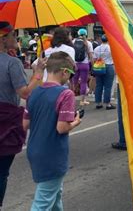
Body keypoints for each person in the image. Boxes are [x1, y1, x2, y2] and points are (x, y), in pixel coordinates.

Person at [23, 52, 81, 210]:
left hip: (34, 149)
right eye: (71, 74)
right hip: (53, 152)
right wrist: (75, 122)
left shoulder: (34, 93)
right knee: (43, 202)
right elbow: (62, 128)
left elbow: (25, 124)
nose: (70, 77)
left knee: (55, 192)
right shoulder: (66, 94)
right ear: (64, 72)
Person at [0, 22, 46, 208]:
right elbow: (25, 93)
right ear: (3, 39)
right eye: (13, 36)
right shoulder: (12, 63)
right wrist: (38, 73)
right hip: (5, 122)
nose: (16, 40)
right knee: (2, 172)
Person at [93, 35, 115, 110]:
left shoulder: (96, 48)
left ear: (101, 40)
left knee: (99, 85)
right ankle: (107, 104)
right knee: (108, 86)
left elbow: (94, 59)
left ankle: (98, 103)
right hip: (108, 66)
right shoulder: (111, 48)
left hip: (99, 66)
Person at [73, 29, 94, 106]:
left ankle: (72, 98)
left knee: (74, 81)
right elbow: (91, 56)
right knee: (83, 82)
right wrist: (93, 65)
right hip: (84, 65)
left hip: (75, 64)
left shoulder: (74, 41)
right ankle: (82, 100)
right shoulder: (88, 43)